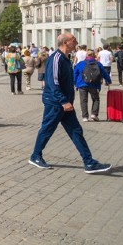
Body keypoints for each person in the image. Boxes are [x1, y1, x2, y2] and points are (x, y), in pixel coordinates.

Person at [29, 33, 111, 174]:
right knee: (47, 129)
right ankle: (35, 156)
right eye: (74, 40)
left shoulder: (66, 58)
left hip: (65, 103)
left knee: (76, 131)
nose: (76, 42)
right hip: (56, 102)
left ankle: (89, 162)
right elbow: (53, 83)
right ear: (66, 42)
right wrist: (63, 101)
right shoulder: (56, 58)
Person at [74, 50, 111, 122]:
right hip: (95, 84)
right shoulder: (98, 64)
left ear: (86, 56)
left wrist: (75, 83)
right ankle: (94, 114)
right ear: (94, 55)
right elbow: (104, 73)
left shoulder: (81, 63)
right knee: (96, 99)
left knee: (83, 100)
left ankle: (85, 117)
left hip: (82, 84)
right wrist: (109, 81)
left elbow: (75, 74)